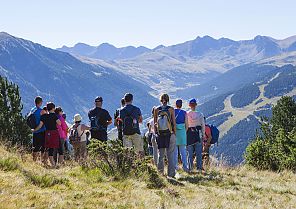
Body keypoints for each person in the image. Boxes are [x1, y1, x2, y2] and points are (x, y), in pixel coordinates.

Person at [154, 94, 176, 178]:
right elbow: (173, 122)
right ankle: (171, 174)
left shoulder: (156, 109)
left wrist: (157, 133)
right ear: (168, 100)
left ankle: (160, 174)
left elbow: (155, 123)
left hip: (160, 135)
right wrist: (174, 133)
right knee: (170, 154)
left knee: (161, 155)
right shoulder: (171, 109)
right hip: (169, 134)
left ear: (161, 100)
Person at [33, 102, 61, 168]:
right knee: (52, 149)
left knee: (46, 148)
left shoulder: (44, 116)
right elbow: (59, 123)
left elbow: (40, 126)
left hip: (47, 133)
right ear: (53, 108)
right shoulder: (54, 115)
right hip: (54, 133)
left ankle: (44, 162)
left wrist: (34, 130)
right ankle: (53, 165)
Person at [186, 98, 205, 172]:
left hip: (189, 134)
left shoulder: (187, 114)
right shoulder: (200, 114)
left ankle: (190, 168)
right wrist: (203, 135)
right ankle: (199, 168)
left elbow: (186, 125)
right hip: (198, 134)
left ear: (189, 105)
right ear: (196, 105)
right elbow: (203, 125)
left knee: (189, 153)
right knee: (198, 153)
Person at [174, 99, 189, 172]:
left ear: (175, 105)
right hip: (182, 133)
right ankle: (185, 167)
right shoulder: (184, 113)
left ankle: (175, 167)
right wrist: (184, 131)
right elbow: (187, 125)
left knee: (175, 152)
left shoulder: (173, 111)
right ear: (181, 105)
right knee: (183, 152)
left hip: (175, 133)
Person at [30, 96, 47, 163]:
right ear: (40, 102)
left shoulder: (32, 110)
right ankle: (42, 160)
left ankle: (34, 161)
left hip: (34, 131)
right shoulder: (41, 111)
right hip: (41, 131)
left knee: (35, 146)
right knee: (42, 146)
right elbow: (42, 123)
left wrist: (33, 130)